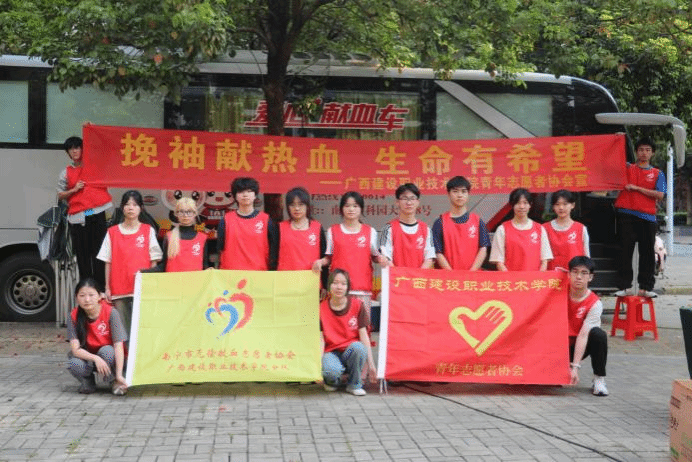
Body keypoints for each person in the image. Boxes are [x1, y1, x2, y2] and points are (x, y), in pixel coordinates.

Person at [97, 190, 162, 338]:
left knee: (143, 326)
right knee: (123, 329)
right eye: (127, 204)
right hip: (119, 288)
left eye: (135, 204)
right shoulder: (112, 232)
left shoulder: (147, 230)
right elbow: (107, 261)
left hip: (142, 287)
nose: (131, 208)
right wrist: (107, 287)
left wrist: (151, 283)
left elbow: (155, 259)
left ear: (141, 208)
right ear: (122, 207)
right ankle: (125, 353)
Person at [313, 191, 386, 310]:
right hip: (339, 290)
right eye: (347, 206)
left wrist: (381, 259)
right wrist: (320, 262)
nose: (351, 209)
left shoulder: (370, 231)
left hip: (362, 289)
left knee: (362, 321)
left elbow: (375, 256)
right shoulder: (333, 231)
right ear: (341, 209)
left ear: (361, 209)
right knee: (339, 321)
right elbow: (329, 257)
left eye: (355, 206)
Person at [613, 137, 666, 298]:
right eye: (641, 149)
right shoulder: (627, 168)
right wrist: (616, 139)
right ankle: (624, 286)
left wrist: (637, 188)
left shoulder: (658, 173)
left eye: (648, 150)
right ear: (636, 152)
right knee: (624, 251)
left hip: (647, 217)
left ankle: (646, 287)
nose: (644, 153)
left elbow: (660, 195)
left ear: (652, 153)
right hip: (626, 214)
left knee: (647, 254)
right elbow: (613, 160)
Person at [56, 136, 112, 287]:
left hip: (96, 213)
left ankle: (100, 288)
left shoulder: (94, 166)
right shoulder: (66, 172)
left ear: (83, 149)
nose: (74, 151)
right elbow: (60, 195)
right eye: (70, 149)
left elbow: (102, 151)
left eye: (77, 147)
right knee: (83, 255)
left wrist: (93, 132)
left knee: (99, 253)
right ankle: (86, 288)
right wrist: (74, 190)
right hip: (79, 216)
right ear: (68, 153)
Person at [66, 278, 128, 395]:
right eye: (82, 295)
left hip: (110, 357)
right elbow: (75, 350)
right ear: (77, 297)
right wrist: (96, 358)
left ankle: (114, 380)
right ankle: (87, 381)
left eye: (91, 295)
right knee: (73, 363)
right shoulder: (73, 315)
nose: (87, 299)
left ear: (100, 296)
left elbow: (118, 346)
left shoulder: (111, 312)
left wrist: (119, 375)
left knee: (107, 351)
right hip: (89, 357)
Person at [320, 269, 377, 396]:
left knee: (359, 347)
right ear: (329, 285)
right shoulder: (321, 307)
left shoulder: (357, 305)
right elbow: (320, 339)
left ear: (348, 287)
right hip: (331, 352)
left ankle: (354, 384)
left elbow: (364, 336)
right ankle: (332, 381)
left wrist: (372, 365)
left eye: (343, 284)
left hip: (350, 351)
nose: (339, 287)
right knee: (331, 371)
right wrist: (317, 366)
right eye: (335, 283)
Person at [567, 256, 608, 396]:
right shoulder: (558, 293)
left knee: (598, 334)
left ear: (590, 277)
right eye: (575, 272)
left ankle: (599, 379)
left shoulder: (595, 303)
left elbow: (584, 335)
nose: (578, 277)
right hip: (556, 346)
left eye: (584, 273)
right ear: (569, 274)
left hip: (578, 346)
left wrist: (575, 367)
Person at [217, 177, 278, 270]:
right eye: (241, 192)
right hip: (231, 272)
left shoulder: (265, 220)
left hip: (258, 272)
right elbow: (219, 248)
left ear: (255, 195)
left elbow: (273, 249)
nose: (245, 195)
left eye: (249, 191)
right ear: (235, 196)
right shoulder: (226, 220)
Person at [432, 176, 490, 270]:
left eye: (463, 191)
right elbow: (437, 252)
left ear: (468, 194)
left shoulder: (477, 221)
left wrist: (471, 272)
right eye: (455, 191)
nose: (459, 195)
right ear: (448, 194)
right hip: (448, 276)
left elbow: (483, 248)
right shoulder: (440, 222)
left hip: (473, 276)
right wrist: (452, 274)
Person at [489, 188, 553, 271]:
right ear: (512, 205)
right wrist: (510, 277)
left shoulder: (540, 229)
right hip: (511, 277)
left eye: (525, 203)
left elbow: (544, 260)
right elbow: (499, 261)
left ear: (530, 205)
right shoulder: (502, 229)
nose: (522, 207)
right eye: (518, 203)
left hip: (535, 278)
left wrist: (539, 276)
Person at [277, 187, 328, 284]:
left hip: (311, 283)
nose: (296, 208)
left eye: (300, 204)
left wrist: (325, 285)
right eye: (292, 205)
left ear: (307, 206)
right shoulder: (279, 228)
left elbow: (325, 256)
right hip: (285, 283)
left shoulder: (317, 228)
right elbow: (273, 258)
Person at [145, 197, 210, 272]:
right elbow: (163, 265)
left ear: (195, 213)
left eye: (189, 211)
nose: (185, 215)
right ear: (176, 214)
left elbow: (205, 266)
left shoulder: (202, 238)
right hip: (173, 279)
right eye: (181, 211)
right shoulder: (169, 236)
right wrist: (144, 272)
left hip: (195, 279)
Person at [379, 183, 435, 269]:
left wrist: (416, 275)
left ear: (418, 202)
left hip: (419, 277)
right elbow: (385, 257)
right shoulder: (389, 228)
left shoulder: (426, 229)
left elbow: (429, 257)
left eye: (412, 198)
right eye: (404, 198)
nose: (409, 202)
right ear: (397, 202)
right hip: (396, 277)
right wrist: (400, 275)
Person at [544, 190, 590, 271]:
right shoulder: (544, 228)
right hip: (551, 275)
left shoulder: (581, 228)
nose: (561, 208)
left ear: (572, 205)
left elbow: (586, 257)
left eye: (565, 204)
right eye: (557, 204)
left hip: (574, 275)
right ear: (553, 207)